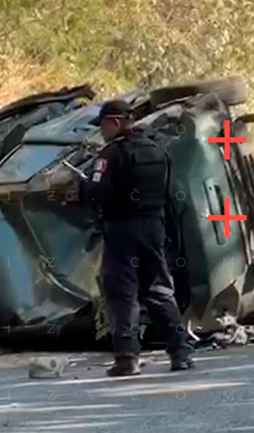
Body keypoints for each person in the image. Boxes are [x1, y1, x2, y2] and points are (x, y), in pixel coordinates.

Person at [78, 99, 194, 377]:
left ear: (115, 123)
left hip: (122, 230)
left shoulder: (111, 155)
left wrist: (82, 185)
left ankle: (127, 358)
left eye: (104, 126)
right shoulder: (157, 151)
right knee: (159, 290)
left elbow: (96, 194)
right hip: (154, 227)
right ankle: (180, 352)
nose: (102, 132)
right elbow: (170, 195)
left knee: (122, 293)